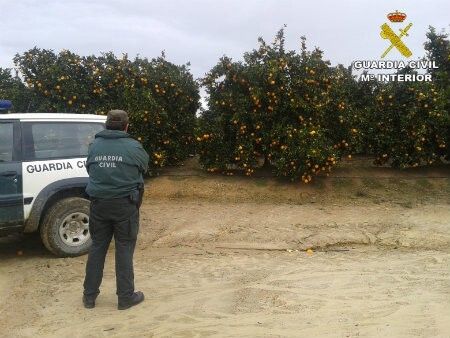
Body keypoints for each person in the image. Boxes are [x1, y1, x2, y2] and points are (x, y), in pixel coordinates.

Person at [83, 109, 149, 310]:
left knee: (97, 248)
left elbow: (89, 168)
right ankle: (125, 298)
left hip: (98, 205)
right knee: (124, 249)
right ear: (126, 126)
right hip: (124, 206)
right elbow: (144, 167)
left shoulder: (94, 146)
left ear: (106, 125)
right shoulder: (134, 147)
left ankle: (89, 297)